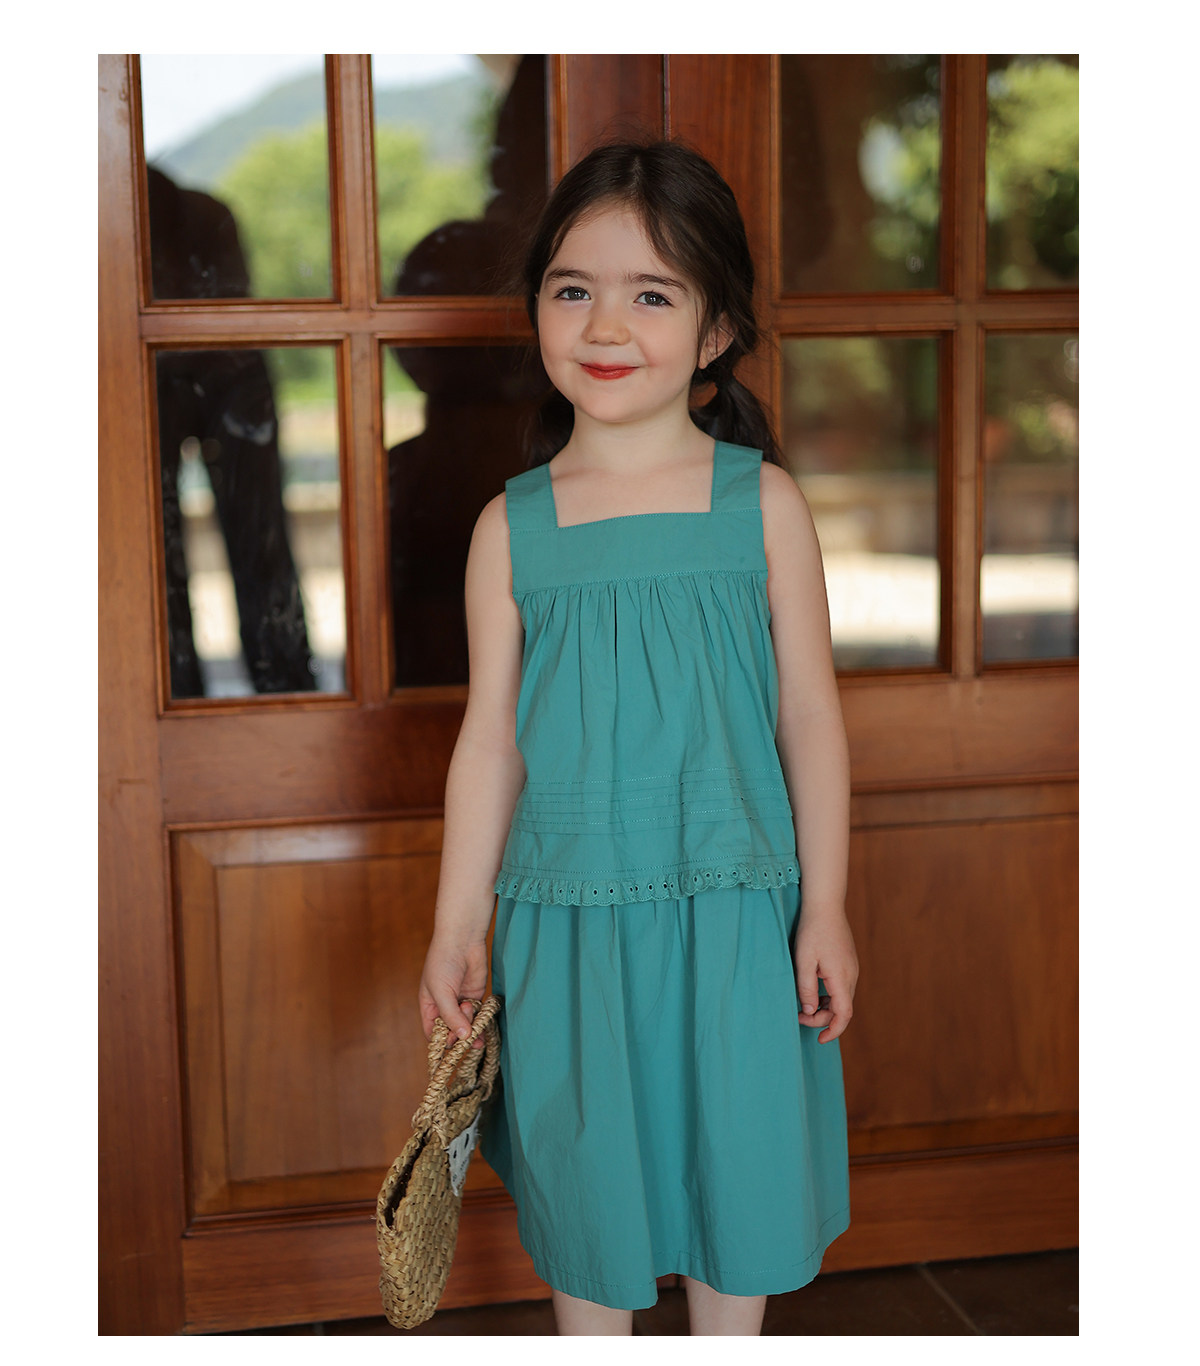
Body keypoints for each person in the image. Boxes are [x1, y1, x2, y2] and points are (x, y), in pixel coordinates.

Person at [418, 139, 857, 1337]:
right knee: (590, 1188)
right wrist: (457, 926)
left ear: (717, 333)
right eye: (574, 288)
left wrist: (825, 905)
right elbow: (490, 742)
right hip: (565, 919)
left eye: (652, 294)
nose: (606, 324)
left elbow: (809, 714)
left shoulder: (763, 505)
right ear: (539, 310)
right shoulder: (510, 528)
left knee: (739, 1173)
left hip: (737, 911)